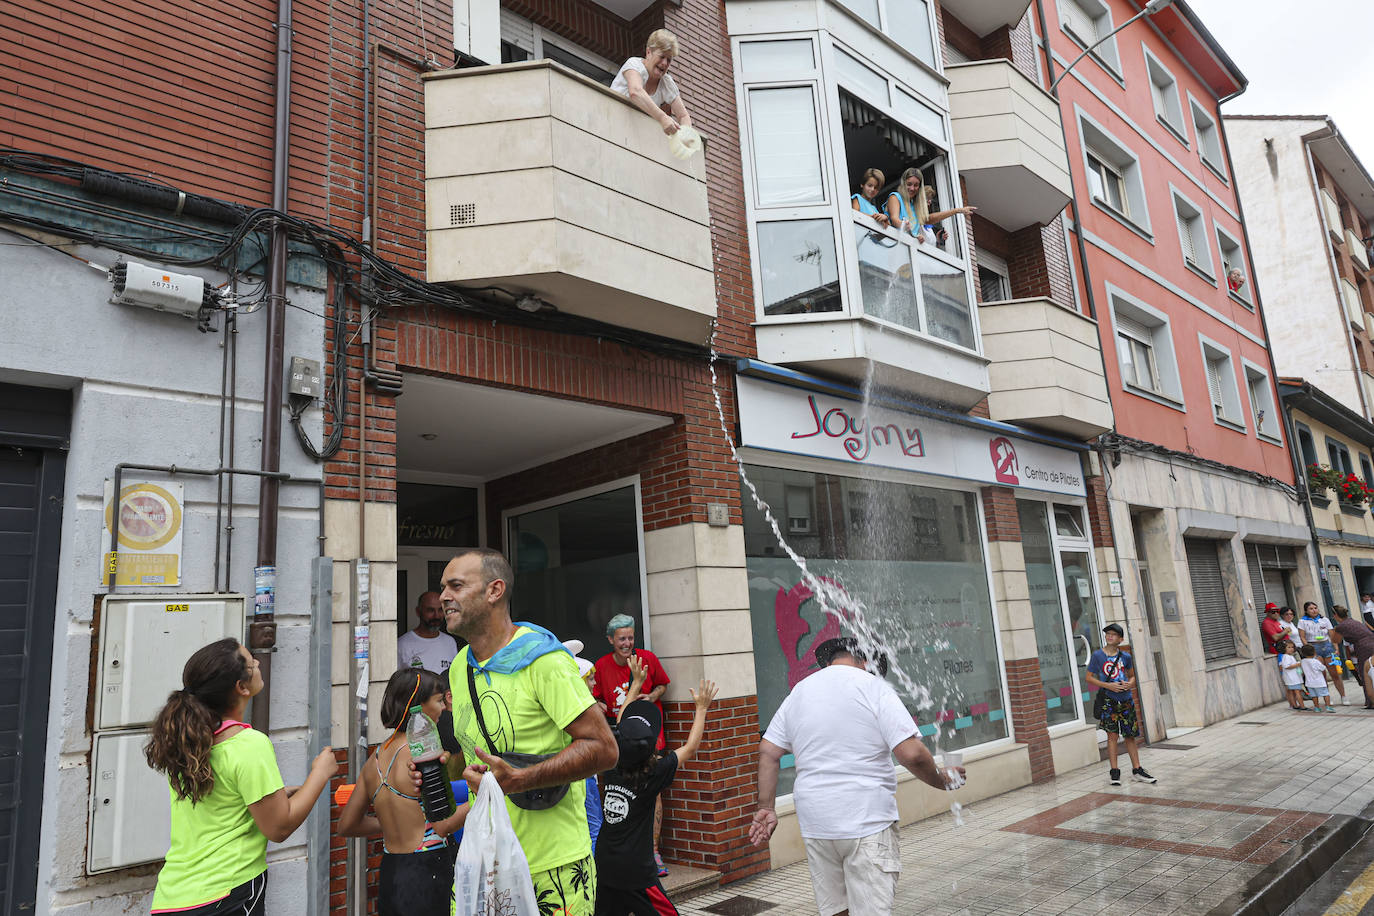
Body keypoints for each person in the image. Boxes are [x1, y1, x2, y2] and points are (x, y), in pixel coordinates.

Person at [436, 547, 619, 916]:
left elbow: (604, 749)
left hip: (552, 867)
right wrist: (444, 767)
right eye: (443, 588)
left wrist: (522, 779)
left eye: (456, 586)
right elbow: (474, 758)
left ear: (494, 591)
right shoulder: (460, 666)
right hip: (483, 864)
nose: (443, 597)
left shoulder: (545, 662)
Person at [749, 637, 965, 916]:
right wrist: (943, 779)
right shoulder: (873, 687)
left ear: (830, 660)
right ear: (867, 662)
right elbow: (912, 753)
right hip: (866, 820)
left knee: (836, 909)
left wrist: (766, 807)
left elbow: (768, 751)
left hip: (817, 823)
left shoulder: (800, 691)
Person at [145, 639, 338, 915]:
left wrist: (276, 795)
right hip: (227, 895)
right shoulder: (248, 744)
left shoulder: (188, 741)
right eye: (251, 663)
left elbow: (220, 804)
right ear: (241, 687)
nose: (258, 663)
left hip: (173, 899)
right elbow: (279, 828)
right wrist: (320, 774)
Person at [338, 668, 482, 916]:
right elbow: (442, 825)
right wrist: (482, 799)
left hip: (391, 872)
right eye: (439, 700)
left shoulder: (375, 758)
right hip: (427, 872)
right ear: (418, 706)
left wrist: (394, 823)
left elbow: (347, 825)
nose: (444, 708)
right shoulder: (423, 752)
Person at [595, 662, 718, 916]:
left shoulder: (611, 764)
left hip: (605, 865)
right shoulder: (653, 773)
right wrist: (702, 708)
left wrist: (635, 685)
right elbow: (691, 747)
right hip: (638, 875)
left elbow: (622, 724)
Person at [592, 612, 673, 874]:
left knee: (653, 790)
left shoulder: (647, 659)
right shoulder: (602, 666)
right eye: (621, 639)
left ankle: (653, 851)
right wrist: (600, 705)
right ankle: (623, 849)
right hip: (617, 739)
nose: (627, 643)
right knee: (615, 791)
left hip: (650, 736)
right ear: (610, 640)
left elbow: (663, 685)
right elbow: (594, 697)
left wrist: (652, 696)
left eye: (630, 637)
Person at [1086, 623, 1157, 786]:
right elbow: (1089, 678)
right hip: (1109, 701)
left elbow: (1132, 676)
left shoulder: (1125, 657)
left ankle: (1137, 770)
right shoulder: (1098, 656)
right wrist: (1108, 685)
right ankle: (1114, 772)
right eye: (1107, 634)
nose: (1109, 636)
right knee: (1112, 736)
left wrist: (1129, 684)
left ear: (1120, 639)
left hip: (1126, 700)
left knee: (1130, 735)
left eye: (1113, 634)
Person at [611, 30, 693, 136]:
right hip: (612, 123)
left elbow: (683, 116)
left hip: (634, 134)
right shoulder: (634, 65)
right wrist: (663, 118)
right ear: (648, 52)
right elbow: (635, 92)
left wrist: (686, 136)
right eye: (662, 56)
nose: (664, 63)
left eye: (669, 60)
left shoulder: (666, 83)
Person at [884, 168, 975, 246]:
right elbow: (895, 219)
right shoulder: (895, 197)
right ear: (903, 183)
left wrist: (956, 211)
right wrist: (907, 228)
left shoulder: (915, 207)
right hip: (892, 245)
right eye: (909, 184)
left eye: (916, 185)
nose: (912, 188)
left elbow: (927, 219)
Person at [1298, 601, 1348, 705]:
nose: (1314, 610)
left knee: (1335, 673)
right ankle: (1327, 697)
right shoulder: (1302, 621)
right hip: (1313, 647)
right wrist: (1308, 649)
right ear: (1306, 610)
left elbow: (1332, 635)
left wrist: (1336, 648)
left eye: (1315, 608)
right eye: (1311, 608)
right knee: (1322, 674)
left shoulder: (1324, 620)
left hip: (1327, 645)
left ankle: (1343, 696)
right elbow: (1302, 636)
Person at [398, 590, 460, 673]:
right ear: (418, 612)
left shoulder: (450, 642)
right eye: (430, 610)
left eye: (440, 610)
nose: (436, 616)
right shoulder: (402, 645)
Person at [1329, 606, 1374, 708]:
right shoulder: (1353, 621)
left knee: (1365, 673)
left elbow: (1336, 640)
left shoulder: (1341, 626)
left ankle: (1371, 702)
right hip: (1371, 642)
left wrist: (1333, 631)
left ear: (1335, 615)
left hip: (1364, 647)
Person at [1300, 643, 1335, 712]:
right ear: (1314, 652)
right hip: (1319, 682)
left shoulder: (1303, 661)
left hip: (1309, 683)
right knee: (1325, 694)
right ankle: (1328, 706)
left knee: (1314, 696)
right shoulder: (1315, 661)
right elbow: (1323, 668)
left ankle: (1317, 707)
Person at [1278, 639, 1305, 711]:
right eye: (1288, 647)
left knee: (1292, 692)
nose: (1291, 649)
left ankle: (1295, 705)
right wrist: (1297, 664)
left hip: (1291, 678)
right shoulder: (1286, 657)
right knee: (1297, 692)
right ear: (1284, 648)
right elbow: (1287, 666)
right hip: (1292, 678)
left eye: (1292, 647)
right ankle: (1302, 706)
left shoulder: (1289, 656)